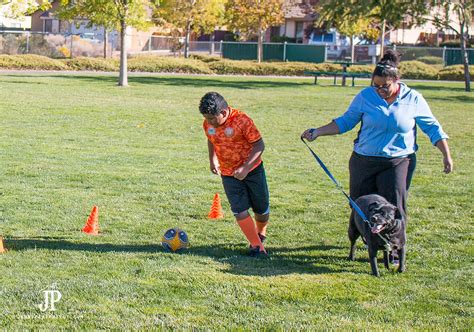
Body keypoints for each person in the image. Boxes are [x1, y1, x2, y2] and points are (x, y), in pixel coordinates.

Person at [301, 50, 453, 242]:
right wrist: (318, 132)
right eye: (376, 86)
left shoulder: (413, 98)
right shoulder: (365, 96)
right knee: (361, 204)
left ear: (397, 80)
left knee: (394, 206)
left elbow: (432, 127)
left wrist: (446, 154)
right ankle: (370, 241)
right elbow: (346, 121)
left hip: (397, 161)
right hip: (363, 161)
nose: (380, 90)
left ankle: (395, 246)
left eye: (385, 86)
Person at [199, 92, 270, 257]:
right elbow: (211, 139)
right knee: (239, 209)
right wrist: (213, 160)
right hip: (228, 173)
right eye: (205, 118)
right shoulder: (208, 124)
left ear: (223, 113)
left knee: (261, 209)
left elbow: (259, 145)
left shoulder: (242, 121)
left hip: (252, 171)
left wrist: (246, 167)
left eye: (211, 118)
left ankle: (261, 233)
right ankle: (257, 247)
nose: (208, 122)